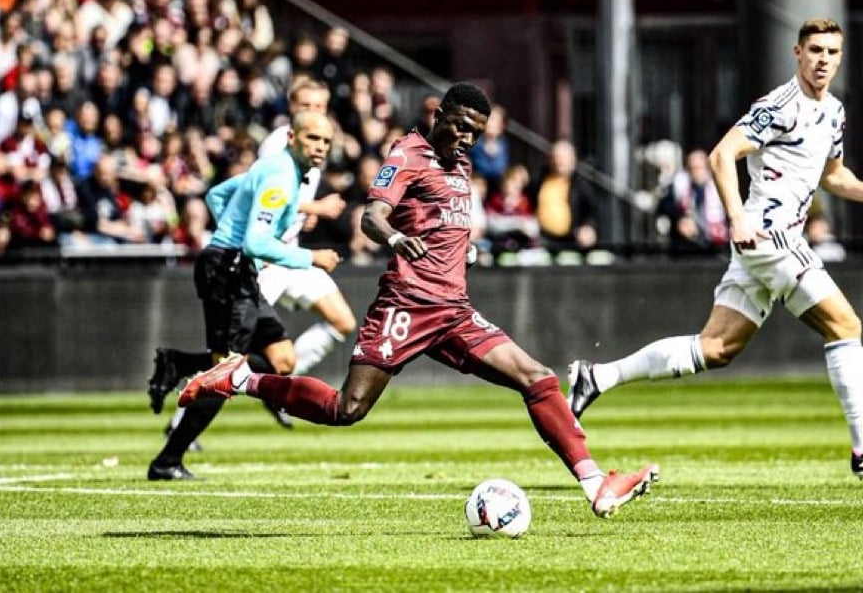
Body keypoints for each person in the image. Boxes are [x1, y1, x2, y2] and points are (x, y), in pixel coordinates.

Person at [178, 82, 659, 516]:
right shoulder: (408, 153)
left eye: (476, 131)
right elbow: (373, 215)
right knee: (346, 409)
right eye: (461, 126)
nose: (467, 138)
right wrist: (392, 238)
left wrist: (462, 247)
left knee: (538, 379)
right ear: (439, 115)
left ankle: (596, 483)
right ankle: (241, 378)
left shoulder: (462, 162)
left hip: (453, 310)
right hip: (406, 306)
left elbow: (443, 217)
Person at [566, 18, 863, 478]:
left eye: (832, 52)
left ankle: (597, 377)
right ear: (797, 53)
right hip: (768, 236)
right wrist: (737, 218)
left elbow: (832, 175)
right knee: (845, 323)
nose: (823, 60)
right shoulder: (779, 105)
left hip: (771, 242)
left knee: (716, 348)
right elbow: (721, 155)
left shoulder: (833, 111)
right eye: (815, 50)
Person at [145, 109, 341, 480]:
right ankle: (167, 461)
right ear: (292, 138)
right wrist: (309, 257)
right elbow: (256, 241)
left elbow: (218, 196)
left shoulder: (276, 171)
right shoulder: (282, 177)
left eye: (326, 141)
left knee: (282, 359)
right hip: (229, 272)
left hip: (237, 271)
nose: (321, 147)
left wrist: (232, 237)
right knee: (226, 372)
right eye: (313, 138)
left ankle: (180, 364)